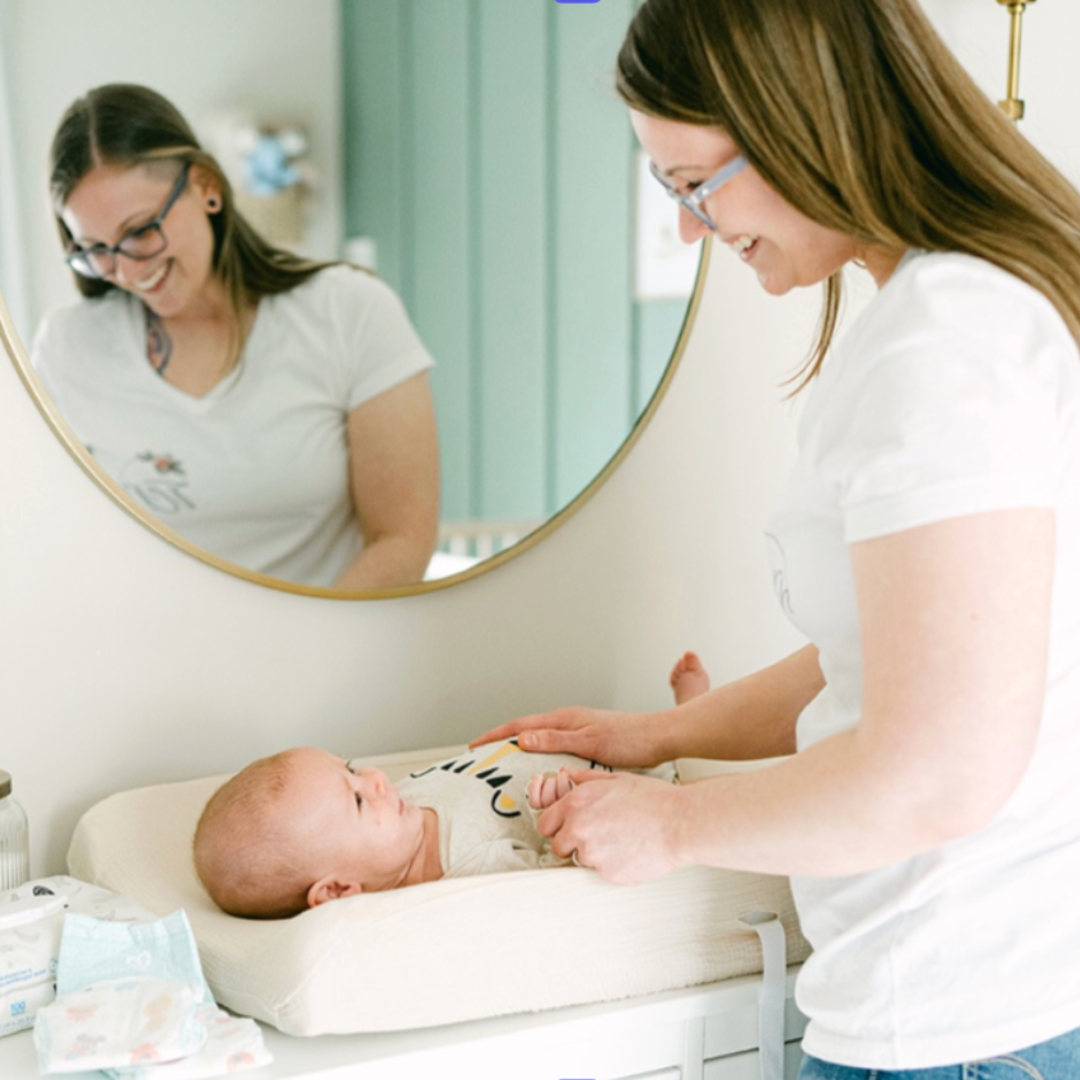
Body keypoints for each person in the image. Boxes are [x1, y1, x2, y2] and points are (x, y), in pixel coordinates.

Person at [472, 1, 1080, 1076]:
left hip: (959, 1019)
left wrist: (669, 828)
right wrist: (663, 736)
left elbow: (938, 772)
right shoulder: (963, 314)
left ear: (806, 116)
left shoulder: (941, 344)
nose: (689, 229)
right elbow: (883, 660)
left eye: (693, 185)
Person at [32, 83, 439, 590]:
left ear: (206, 186)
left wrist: (292, 655)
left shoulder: (348, 312)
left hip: (320, 655)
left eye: (140, 231)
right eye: (94, 248)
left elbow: (401, 538)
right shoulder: (68, 347)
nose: (126, 270)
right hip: (150, 657)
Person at [193, 651, 698, 919]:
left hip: (604, 741)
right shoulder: (468, 872)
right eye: (355, 798)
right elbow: (563, 884)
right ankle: (694, 720)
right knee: (698, 764)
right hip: (642, 787)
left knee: (673, 734)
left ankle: (689, 722)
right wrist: (563, 817)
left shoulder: (404, 807)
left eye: (351, 768)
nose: (373, 779)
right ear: (340, 888)